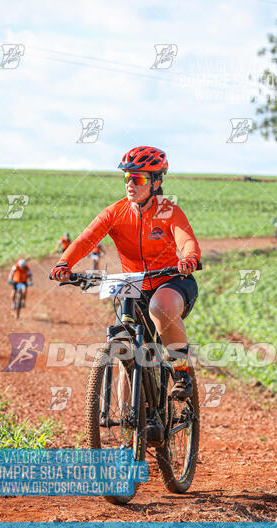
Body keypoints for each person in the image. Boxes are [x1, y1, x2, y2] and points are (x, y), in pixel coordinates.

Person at [50, 146, 201, 398]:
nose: (130, 184)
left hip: (171, 281)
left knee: (159, 305)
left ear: (156, 182)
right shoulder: (115, 212)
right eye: (127, 178)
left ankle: (181, 370)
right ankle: (132, 427)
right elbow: (86, 240)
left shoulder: (168, 210)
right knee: (127, 352)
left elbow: (186, 240)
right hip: (133, 284)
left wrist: (189, 258)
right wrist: (64, 263)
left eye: (138, 178)